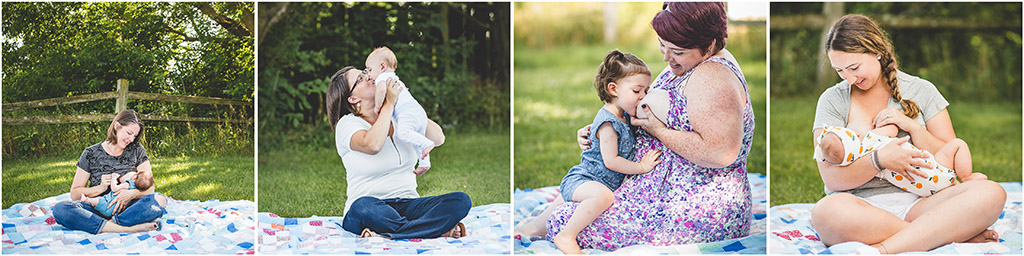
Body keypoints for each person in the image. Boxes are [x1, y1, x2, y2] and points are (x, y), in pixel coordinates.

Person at [516, 2, 756, 251]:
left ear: (710, 45)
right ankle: (536, 224)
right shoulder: (690, 62)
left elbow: (721, 153)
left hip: (696, 208)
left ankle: (541, 224)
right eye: (662, 45)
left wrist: (658, 132)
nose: (666, 56)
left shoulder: (713, 78)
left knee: (563, 221)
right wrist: (605, 129)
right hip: (652, 189)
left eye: (676, 51)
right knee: (582, 190)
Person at [810, 14, 1005, 253]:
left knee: (991, 192)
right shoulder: (833, 100)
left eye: (854, 68)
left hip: (923, 204)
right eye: (840, 70)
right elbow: (831, 178)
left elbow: (951, 155)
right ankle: (940, 234)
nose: (849, 78)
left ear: (877, 51)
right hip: (860, 208)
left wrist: (912, 127)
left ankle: (883, 249)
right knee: (825, 212)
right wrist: (878, 160)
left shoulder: (922, 90)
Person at [326, 66, 471, 239]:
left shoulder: (400, 116)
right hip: (370, 209)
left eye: (365, 72)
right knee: (362, 206)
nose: (368, 77)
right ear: (352, 98)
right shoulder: (347, 125)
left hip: (408, 204)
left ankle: (389, 234)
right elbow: (373, 145)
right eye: (360, 79)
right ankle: (432, 230)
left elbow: (438, 138)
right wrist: (388, 103)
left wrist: (406, 101)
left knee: (460, 201)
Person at [550, 50, 663, 254]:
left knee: (600, 197)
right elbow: (611, 161)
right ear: (613, 89)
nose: (643, 97)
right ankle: (566, 236)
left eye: (646, 91)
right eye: (637, 91)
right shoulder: (608, 123)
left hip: (597, 181)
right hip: (583, 180)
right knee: (603, 197)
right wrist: (641, 167)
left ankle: (537, 228)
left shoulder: (626, 117)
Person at [52, 110, 168, 234]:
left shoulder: (137, 150)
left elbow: (150, 189)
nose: (131, 139)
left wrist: (131, 194)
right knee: (61, 209)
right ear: (117, 126)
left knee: (159, 199)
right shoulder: (90, 153)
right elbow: (75, 194)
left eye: (134, 136)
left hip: (129, 209)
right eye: (129, 133)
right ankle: (125, 228)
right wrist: (100, 188)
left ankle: (107, 225)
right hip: (97, 209)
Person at [815, 123, 985, 197]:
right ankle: (967, 178)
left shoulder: (857, 160)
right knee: (957, 145)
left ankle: (954, 186)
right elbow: (893, 129)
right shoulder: (870, 139)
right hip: (934, 167)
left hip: (924, 191)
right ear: (855, 136)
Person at [366, 46, 435, 175]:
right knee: (415, 139)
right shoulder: (395, 78)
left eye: (370, 70)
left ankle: (427, 143)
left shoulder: (382, 77)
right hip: (417, 110)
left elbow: (381, 91)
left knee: (403, 133)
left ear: (382, 66)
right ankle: (425, 163)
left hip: (406, 112)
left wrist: (377, 106)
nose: (369, 75)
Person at [78, 171, 156, 218]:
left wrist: (113, 178)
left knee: (97, 201)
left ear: (135, 177)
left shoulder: (128, 184)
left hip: (107, 204)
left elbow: (114, 188)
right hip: (116, 212)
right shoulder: (137, 187)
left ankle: (87, 200)